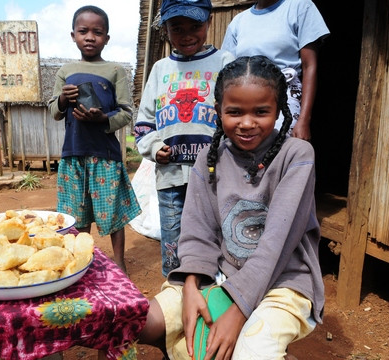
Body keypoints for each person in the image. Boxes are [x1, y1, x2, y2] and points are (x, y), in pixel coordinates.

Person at [137, 56, 324, 360]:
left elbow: (276, 244)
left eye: (261, 112)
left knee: (250, 352)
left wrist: (238, 312)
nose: (247, 123)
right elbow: (197, 233)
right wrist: (192, 287)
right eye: (234, 112)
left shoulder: (297, 156)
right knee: (148, 323)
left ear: (278, 111)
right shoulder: (209, 159)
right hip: (224, 274)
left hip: (285, 281)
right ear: (218, 112)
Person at [133, 0, 235, 276]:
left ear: (209, 23)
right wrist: (154, 148)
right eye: (177, 28)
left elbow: (236, 115)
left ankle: (213, 287)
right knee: (173, 237)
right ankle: (174, 289)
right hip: (171, 175)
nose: (187, 34)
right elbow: (143, 121)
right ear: (165, 28)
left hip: (215, 174)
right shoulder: (160, 69)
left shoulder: (225, 63)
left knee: (215, 232)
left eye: (195, 26)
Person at [48, 5, 141, 273]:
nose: (90, 37)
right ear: (73, 35)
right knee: (77, 214)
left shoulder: (115, 71)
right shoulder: (65, 71)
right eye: (83, 31)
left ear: (107, 38)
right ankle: (80, 263)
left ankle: (120, 262)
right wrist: (64, 99)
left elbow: (125, 112)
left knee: (112, 211)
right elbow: (54, 110)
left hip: (105, 155)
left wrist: (103, 119)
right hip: (74, 154)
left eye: (97, 32)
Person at [222, 0, 329, 141]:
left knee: (279, 152)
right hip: (245, 101)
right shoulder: (239, 21)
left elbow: (309, 66)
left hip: (283, 97)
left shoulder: (300, 7)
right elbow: (228, 72)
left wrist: (303, 120)